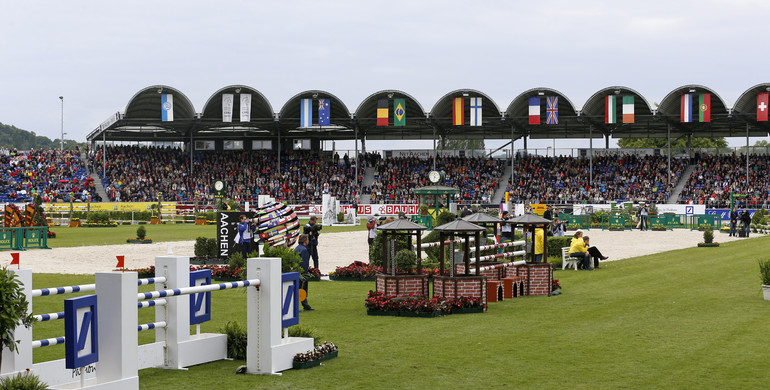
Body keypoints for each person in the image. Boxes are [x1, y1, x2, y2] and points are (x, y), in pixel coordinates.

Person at [294, 234, 314, 311]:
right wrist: (305, 274)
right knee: (302, 289)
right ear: (305, 241)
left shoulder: (297, 248)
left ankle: (305, 305)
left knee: (298, 288)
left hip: (296, 271)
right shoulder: (304, 250)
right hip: (302, 272)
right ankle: (303, 305)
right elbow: (305, 263)